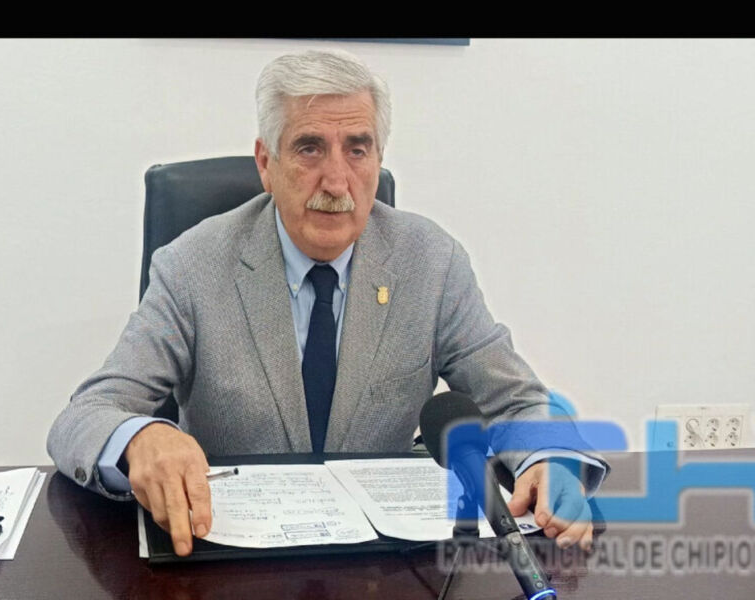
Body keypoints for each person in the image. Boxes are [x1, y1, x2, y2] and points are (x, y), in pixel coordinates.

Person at [47, 49, 605, 558]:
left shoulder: (431, 262)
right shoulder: (193, 266)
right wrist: (139, 437)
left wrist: (548, 459)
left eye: (357, 149)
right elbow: (88, 413)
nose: (337, 181)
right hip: (232, 558)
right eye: (309, 148)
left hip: (387, 566)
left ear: (378, 159)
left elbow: (516, 399)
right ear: (266, 163)